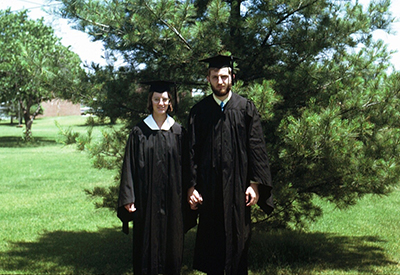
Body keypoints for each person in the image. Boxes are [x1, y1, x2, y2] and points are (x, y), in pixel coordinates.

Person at [186, 55, 274, 275]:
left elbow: (257, 148)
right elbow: (191, 153)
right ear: (208, 79)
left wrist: (254, 184)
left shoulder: (245, 108)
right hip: (209, 191)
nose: (220, 81)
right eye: (215, 77)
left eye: (224, 76)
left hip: (238, 190)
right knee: (212, 247)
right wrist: (191, 186)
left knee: (238, 246)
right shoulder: (199, 111)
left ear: (232, 77)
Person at [117, 81, 185, 275]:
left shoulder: (179, 132)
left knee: (172, 245)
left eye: (165, 99)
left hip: (173, 200)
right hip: (146, 201)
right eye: (157, 99)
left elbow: (187, 167)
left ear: (170, 102)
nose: (161, 103)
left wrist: (191, 190)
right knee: (146, 245)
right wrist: (129, 198)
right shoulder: (139, 132)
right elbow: (129, 166)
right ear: (150, 101)